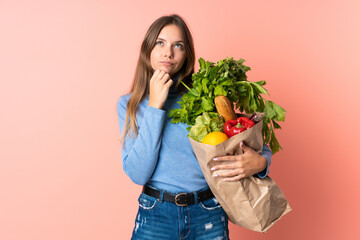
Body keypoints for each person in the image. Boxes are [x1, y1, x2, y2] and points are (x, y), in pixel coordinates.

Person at [117, 14, 272, 240]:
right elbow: (138, 174)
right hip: (155, 216)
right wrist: (155, 107)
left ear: (186, 54)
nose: (168, 52)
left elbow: (244, 134)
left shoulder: (202, 97)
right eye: (160, 43)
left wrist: (262, 162)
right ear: (148, 48)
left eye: (177, 45)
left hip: (208, 213)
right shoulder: (129, 105)